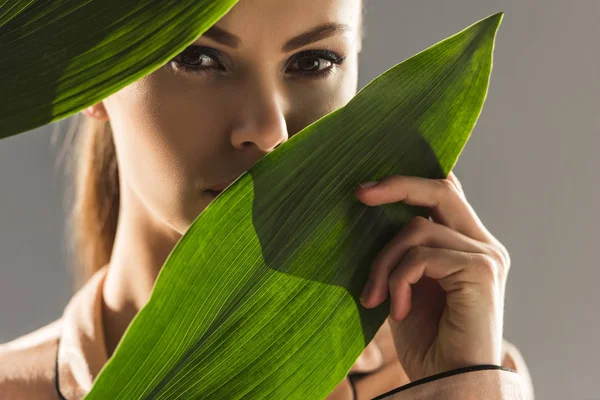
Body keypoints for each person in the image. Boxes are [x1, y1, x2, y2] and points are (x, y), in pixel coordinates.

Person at [0, 0, 535, 399]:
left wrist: (461, 387)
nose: (269, 129)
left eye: (314, 63)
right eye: (199, 58)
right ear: (94, 76)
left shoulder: (457, 373)